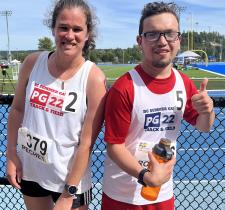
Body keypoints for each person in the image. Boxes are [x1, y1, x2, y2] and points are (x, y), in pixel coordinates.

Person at [101, 2, 215, 210]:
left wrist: (207, 111)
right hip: (123, 195)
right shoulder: (124, 88)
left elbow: (204, 126)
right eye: (152, 34)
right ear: (140, 41)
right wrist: (146, 176)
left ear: (178, 40)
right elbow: (114, 146)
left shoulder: (183, 82)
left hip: (162, 192)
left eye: (170, 34)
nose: (162, 41)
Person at [6, 0, 106, 210]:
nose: (69, 35)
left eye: (77, 29)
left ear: (87, 34)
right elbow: (16, 110)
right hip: (31, 171)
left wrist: (69, 193)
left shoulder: (93, 78)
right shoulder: (32, 63)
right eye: (63, 27)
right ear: (53, 29)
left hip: (69, 180)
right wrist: (12, 154)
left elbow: (86, 143)